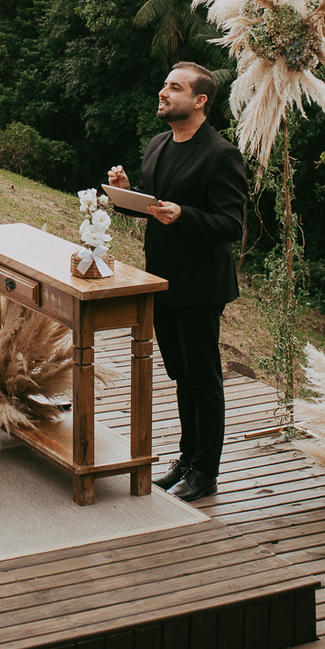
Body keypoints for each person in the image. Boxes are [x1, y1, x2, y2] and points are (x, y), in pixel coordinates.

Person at [108, 61, 246, 502]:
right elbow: (156, 208)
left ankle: (206, 471)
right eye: (164, 84)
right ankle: (187, 459)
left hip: (201, 285)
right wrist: (126, 193)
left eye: (175, 87)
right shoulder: (157, 145)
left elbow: (231, 224)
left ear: (200, 100)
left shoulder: (221, 153)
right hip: (160, 281)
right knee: (181, 376)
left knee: (203, 379)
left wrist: (186, 215)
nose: (163, 92)